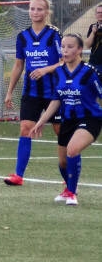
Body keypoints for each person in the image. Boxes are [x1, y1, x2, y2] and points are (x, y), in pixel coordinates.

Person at [30, 33, 102, 205]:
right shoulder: (58, 72)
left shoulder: (89, 73)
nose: (65, 50)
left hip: (90, 118)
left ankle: (71, 193)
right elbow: (56, 99)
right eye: (63, 47)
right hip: (67, 120)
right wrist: (41, 121)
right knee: (62, 162)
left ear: (79, 50)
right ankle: (71, 187)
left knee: (72, 149)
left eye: (70, 47)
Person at [3, 0, 62, 185]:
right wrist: (9, 92)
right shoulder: (23, 36)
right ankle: (18, 175)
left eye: (39, 9)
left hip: (54, 92)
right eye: (32, 9)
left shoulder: (54, 34)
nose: (35, 12)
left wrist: (45, 69)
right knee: (25, 129)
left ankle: (69, 174)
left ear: (47, 12)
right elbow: (19, 65)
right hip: (31, 92)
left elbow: (64, 61)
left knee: (61, 130)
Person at [84, 1, 102, 74]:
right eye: (98, 12)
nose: (100, 14)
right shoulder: (93, 27)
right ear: (95, 14)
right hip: (94, 62)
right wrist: (93, 32)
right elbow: (88, 45)